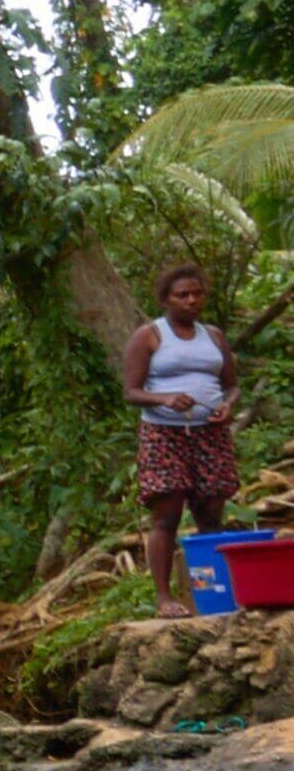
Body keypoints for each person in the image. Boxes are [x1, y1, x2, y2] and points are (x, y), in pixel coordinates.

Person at [126, 261, 244, 616]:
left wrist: (227, 406)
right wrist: (165, 399)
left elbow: (232, 386)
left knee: (211, 513)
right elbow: (131, 391)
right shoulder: (150, 336)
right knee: (167, 515)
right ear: (166, 299)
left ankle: (216, 595)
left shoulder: (214, 336)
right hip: (164, 435)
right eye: (182, 295)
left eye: (197, 293)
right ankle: (165, 598)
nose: (191, 300)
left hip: (211, 434)